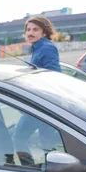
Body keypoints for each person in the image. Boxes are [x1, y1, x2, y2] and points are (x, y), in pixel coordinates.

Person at [14, 16, 62, 160]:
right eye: (28, 29)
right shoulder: (38, 47)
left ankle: (28, 168)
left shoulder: (47, 48)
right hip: (44, 102)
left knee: (18, 139)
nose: (30, 32)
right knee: (47, 143)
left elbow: (54, 75)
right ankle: (53, 170)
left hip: (42, 103)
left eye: (35, 29)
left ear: (44, 32)